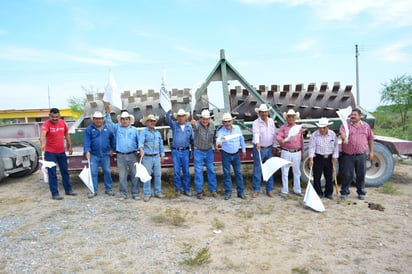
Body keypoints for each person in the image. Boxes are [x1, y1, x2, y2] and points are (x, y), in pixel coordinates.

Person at [104, 103, 140, 200]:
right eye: (123, 119)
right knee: (122, 176)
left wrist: (140, 150)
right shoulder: (117, 128)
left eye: (126, 119)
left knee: (135, 175)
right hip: (121, 156)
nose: (125, 121)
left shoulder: (134, 130)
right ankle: (123, 194)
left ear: (129, 120)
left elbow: (139, 142)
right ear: (120, 120)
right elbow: (109, 123)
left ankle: (135, 193)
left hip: (133, 155)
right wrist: (107, 113)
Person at [40, 108, 77, 200]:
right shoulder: (46, 124)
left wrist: (70, 146)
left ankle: (68, 190)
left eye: (57, 117)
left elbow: (67, 134)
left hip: (61, 152)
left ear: (59, 116)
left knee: (65, 172)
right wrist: (42, 144)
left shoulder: (63, 123)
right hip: (50, 153)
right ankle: (55, 194)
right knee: (52, 173)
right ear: (49, 116)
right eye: (53, 117)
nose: (55, 119)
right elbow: (43, 135)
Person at [339, 108, 374, 200]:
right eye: (351, 115)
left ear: (360, 116)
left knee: (361, 174)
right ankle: (344, 192)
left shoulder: (366, 126)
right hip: (348, 155)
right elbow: (342, 133)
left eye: (354, 115)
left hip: (361, 155)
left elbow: (370, 139)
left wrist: (371, 152)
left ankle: (361, 192)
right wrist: (344, 138)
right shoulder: (345, 124)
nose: (352, 116)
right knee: (347, 174)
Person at [83, 111, 116, 199]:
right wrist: (87, 151)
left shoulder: (107, 129)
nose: (98, 120)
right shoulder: (89, 129)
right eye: (96, 119)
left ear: (103, 119)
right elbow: (86, 142)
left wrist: (112, 149)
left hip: (105, 154)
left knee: (107, 171)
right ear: (93, 120)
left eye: (100, 119)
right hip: (93, 155)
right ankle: (93, 190)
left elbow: (113, 139)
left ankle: (108, 189)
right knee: (93, 173)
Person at [216, 113, 246, 200]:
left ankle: (241, 192)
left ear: (232, 121)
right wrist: (218, 143)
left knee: (238, 173)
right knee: (226, 174)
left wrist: (243, 150)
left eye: (229, 121)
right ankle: (228, 192)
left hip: (236, 154)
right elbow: (218, 140)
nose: (228, 123)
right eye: (225, 122)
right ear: (223, 122)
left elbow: (241, 139)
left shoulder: (237, 128)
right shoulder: (221, 132)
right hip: (226, 154)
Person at [308, 117, 339, 199]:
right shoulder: (314, 135)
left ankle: (328, 193)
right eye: (320, 128)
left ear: (327, 127)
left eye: (323, 128)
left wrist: (335, 156)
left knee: (329, 176)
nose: (321, 129)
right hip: (318, 158)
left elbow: (336, 146)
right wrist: (311, 159)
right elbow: (312, 147)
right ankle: (318, 193)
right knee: (317, 176)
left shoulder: (332, 134)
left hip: (329, 158)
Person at [166, 108, 194, 196]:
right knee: (176, 171)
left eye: (183, 116)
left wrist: (192, 151)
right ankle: (178, 189)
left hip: (186, 151)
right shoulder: (174, 125)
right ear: (177, 118)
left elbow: (192, 140)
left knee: (186, 171)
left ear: (185, 117)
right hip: (176, 151)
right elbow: (167, 119)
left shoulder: (189, 127)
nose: (181, 118)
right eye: (179, 116)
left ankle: (186, 189)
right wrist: (168, 111)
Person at [276, 109, 304, 197]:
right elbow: (278, 136)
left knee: (297, 171)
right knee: (285, 171)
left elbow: (301, 141)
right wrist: (280, 140)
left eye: (292, 117)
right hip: (286, 151)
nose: (291, 118)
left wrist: (302, 152)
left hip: (297, 152)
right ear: (287, 118)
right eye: (289, 117)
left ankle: (297, 190)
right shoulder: (283, 128)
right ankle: (285, 190)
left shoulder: (299, 128)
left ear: (295, 118)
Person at [251, 104, 277, 198]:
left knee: (269, 169)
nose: (264, 114)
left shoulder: (271, 121)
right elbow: (256, 133)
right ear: (259, 113)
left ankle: (269, 190)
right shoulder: (256, 122)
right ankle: (256, 189)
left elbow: (273, 134)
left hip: (269, 148)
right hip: (259, 148)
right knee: (257, 169)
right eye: (262, 112)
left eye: (265, 112)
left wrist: (274, 145)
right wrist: (257, 143)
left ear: (267, 112)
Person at [190, 109, 218, 199]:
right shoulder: (197, 125)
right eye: (203, 119)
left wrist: (216, 145)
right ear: (200, 118)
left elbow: (214, 137)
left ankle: (213, 190)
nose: (205, 121)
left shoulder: (212, 126)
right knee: (198, 172)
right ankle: (199, 191)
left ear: (209, 119)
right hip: (198, 151)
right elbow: (195, 127)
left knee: (211, 170)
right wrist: (193, 124)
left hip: (209, 151)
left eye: (207, 119)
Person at [139, 114, 165, 202]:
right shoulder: (144, 132)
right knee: (147, 176)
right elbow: (141, 142)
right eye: (150, 121)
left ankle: (157, 192)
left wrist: (162, 154)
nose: (152, 122)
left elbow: (160, 144)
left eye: (154, 121)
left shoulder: (157, 133)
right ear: (146, 122)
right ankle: (147, 193)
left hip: (156, 156)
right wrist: (141, 148)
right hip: (147, 157)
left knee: (158, 175)